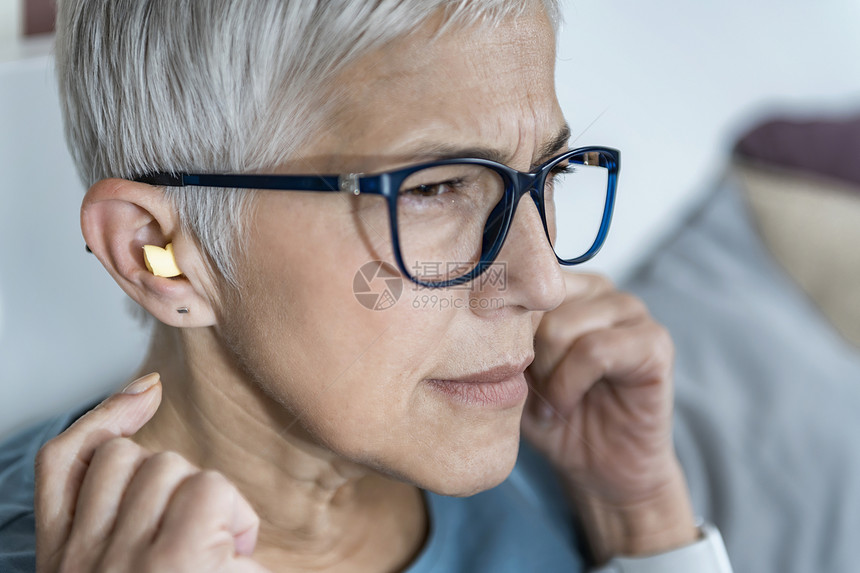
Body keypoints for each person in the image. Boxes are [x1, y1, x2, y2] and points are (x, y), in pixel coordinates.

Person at [0, 1, 733, 571]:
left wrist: (639, 523)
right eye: (436, 188)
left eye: (549, 174)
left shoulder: (543, 456)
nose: (543, 281)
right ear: (158, 252)